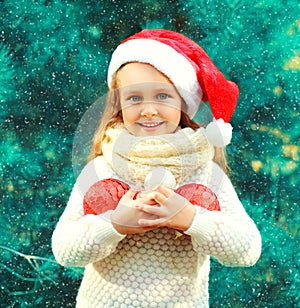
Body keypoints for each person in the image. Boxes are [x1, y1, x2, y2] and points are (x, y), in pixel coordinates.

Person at [52, 29, 261, 307]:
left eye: (163, 96)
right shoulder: (102, 168)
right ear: (119, 104)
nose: (148, 110)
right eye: (134, 98)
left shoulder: (205, 172)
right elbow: (64, 251)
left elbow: (248, 250)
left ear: (183, 103)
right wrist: (113, 225)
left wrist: (192, 220)